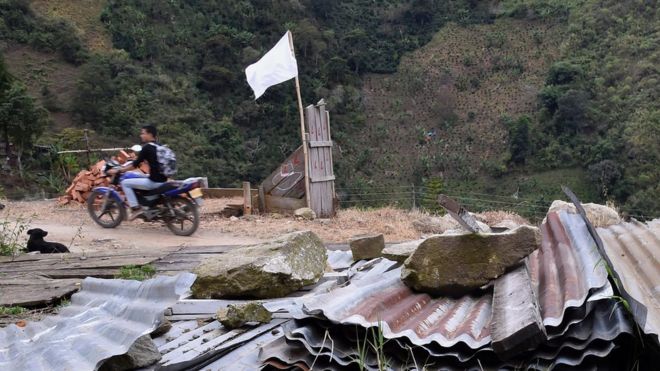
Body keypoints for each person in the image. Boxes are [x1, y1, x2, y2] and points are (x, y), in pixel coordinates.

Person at [108, 125, 168, 220]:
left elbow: (134, 165)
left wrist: (119, 170)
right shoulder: (159, 146)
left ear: (150, 134)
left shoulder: (147, 147)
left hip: (154, 181)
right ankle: (145, 203)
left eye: (143, 133)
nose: (141, 135)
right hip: (163, 179)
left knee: (125, 183)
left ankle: (136, 208)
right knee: (140, 176)